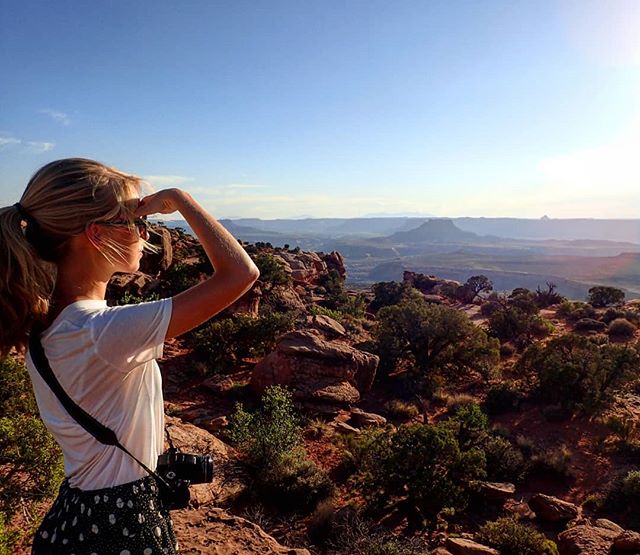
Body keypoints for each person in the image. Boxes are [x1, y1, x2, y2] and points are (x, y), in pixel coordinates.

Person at [0, 158, 260, 554]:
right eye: (135, 221)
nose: (145, 233)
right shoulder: (101, 332)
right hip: (122, 523)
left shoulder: (49, 326)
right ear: (96, 233)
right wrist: (182, 200)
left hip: (75, 515)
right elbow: (240, 274)